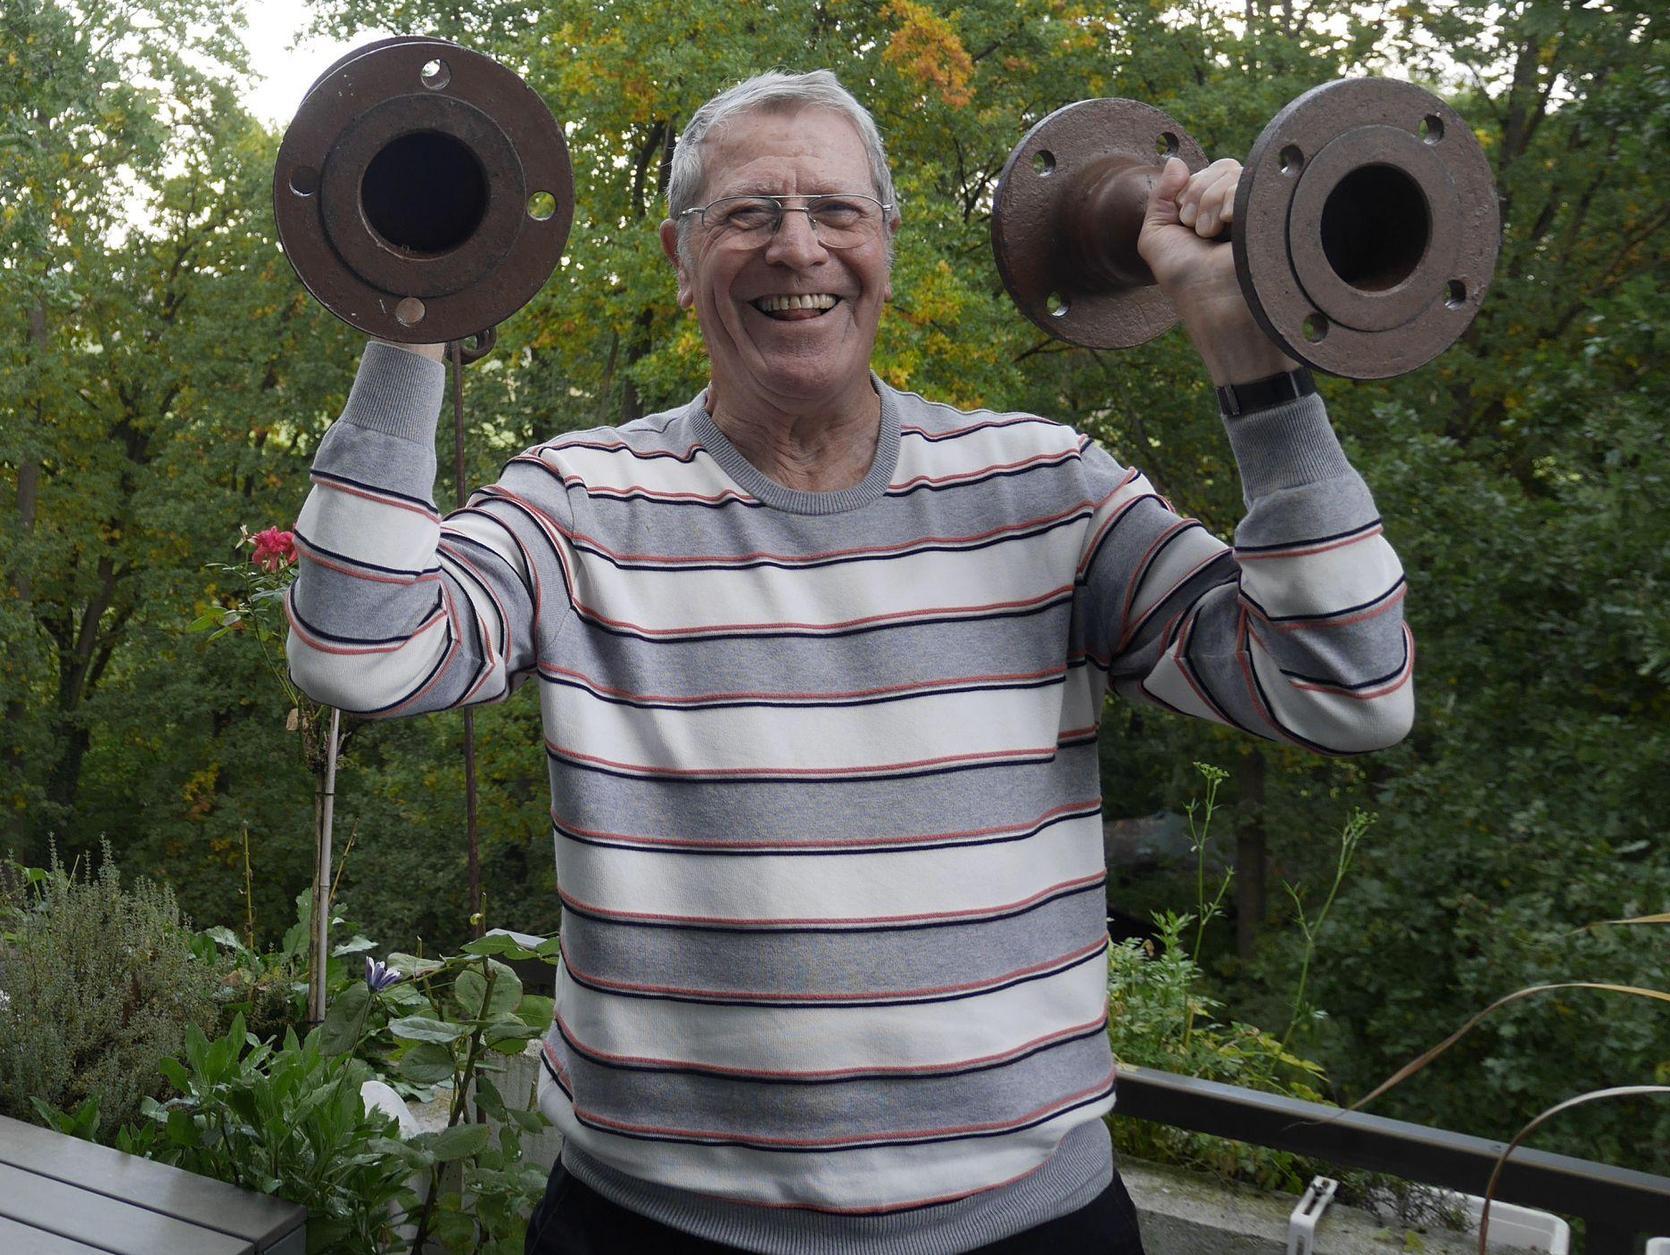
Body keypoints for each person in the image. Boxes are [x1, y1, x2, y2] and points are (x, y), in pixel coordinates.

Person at [285, 70, 1412, 1255]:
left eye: (835, 212)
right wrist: (411, 295)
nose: (795, 248)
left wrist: (1239, 338)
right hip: (649, 1230)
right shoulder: (580, 502)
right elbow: (358, 650)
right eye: (746, 214)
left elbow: (1348, 688)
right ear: (680, 255)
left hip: (1029, 1231)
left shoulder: (1044, 489)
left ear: (884, 245)